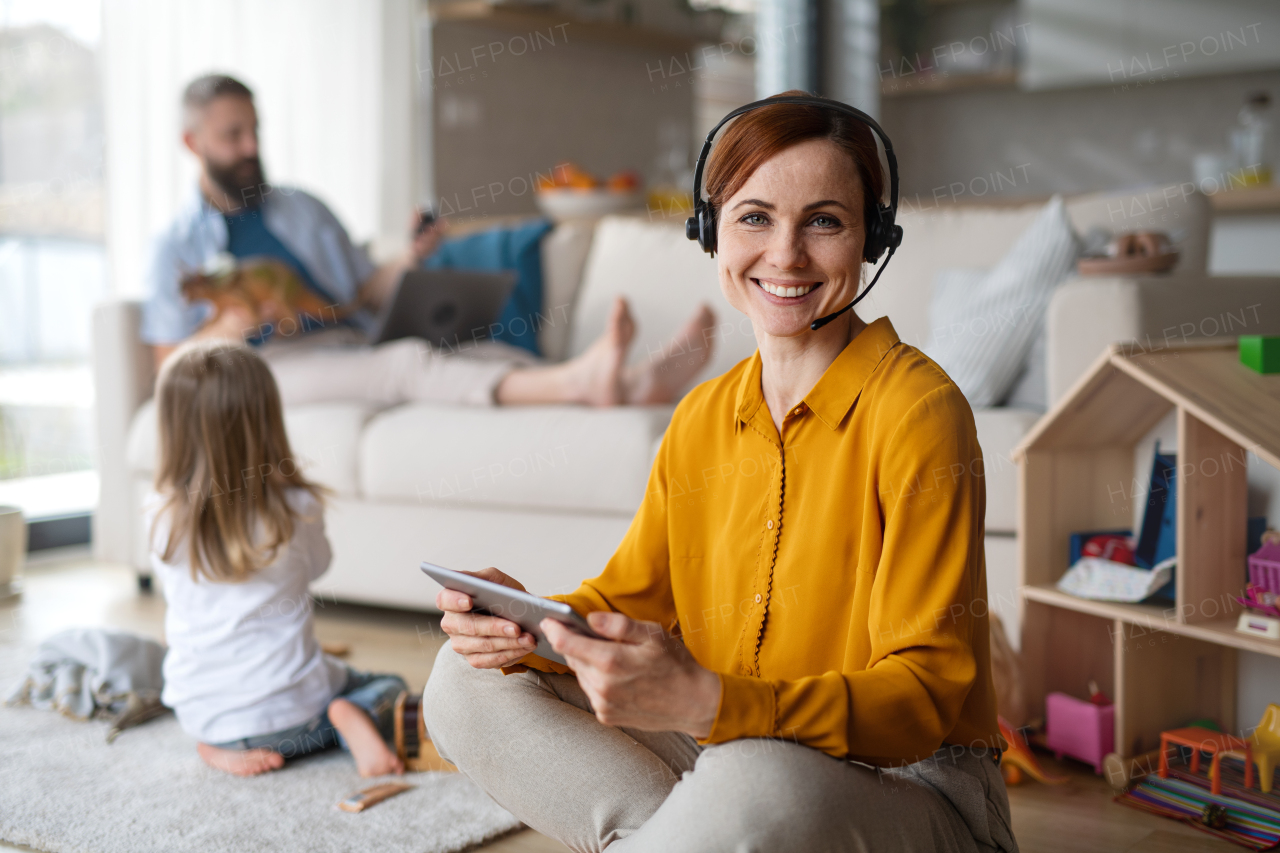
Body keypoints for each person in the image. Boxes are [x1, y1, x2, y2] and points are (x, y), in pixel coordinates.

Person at [423, 93, 1018, 852]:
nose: (786, 254)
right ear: (710, 231)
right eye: (754, 217)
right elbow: (621, 602)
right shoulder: (702, 415)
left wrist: (716, 703)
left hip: (909, 782)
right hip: (726, 750)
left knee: (754, 781)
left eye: (825, 221)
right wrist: (522, 623)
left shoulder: (920, 411)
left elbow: (923, 702)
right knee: (463, 683)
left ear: (873, 238)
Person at [142, 74, 715, 408]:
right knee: (408, 362)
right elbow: (171, 368)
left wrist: (410, 258)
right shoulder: (175, 247)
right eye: (232, 135)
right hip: (267, 366)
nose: (249, 147)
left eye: (255, 131)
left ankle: (632, 384)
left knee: (477, 347)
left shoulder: (302, 209)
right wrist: (231, 325)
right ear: (192, 142)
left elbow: (361, 296)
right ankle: (583, 382)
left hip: (348, 337)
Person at [147, 340, 408, 778]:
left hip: (200, 711)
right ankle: (347, 716)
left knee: (321, 670)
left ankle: (217, 747)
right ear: (265, 421)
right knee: (388, 687)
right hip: (294, 719)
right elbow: (319, 566)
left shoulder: (159, 512)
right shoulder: (295, 505)